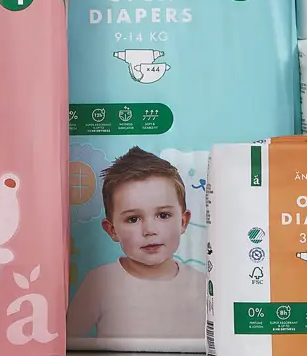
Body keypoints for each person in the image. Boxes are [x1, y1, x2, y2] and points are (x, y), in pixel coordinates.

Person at [68, 147, 205, 344]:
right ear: (112, 230)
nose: (150, 230)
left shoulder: (201, 284)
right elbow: (67, 344)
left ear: (183, 222)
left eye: (163, 215)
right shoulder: (99, 283)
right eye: (133, 219)